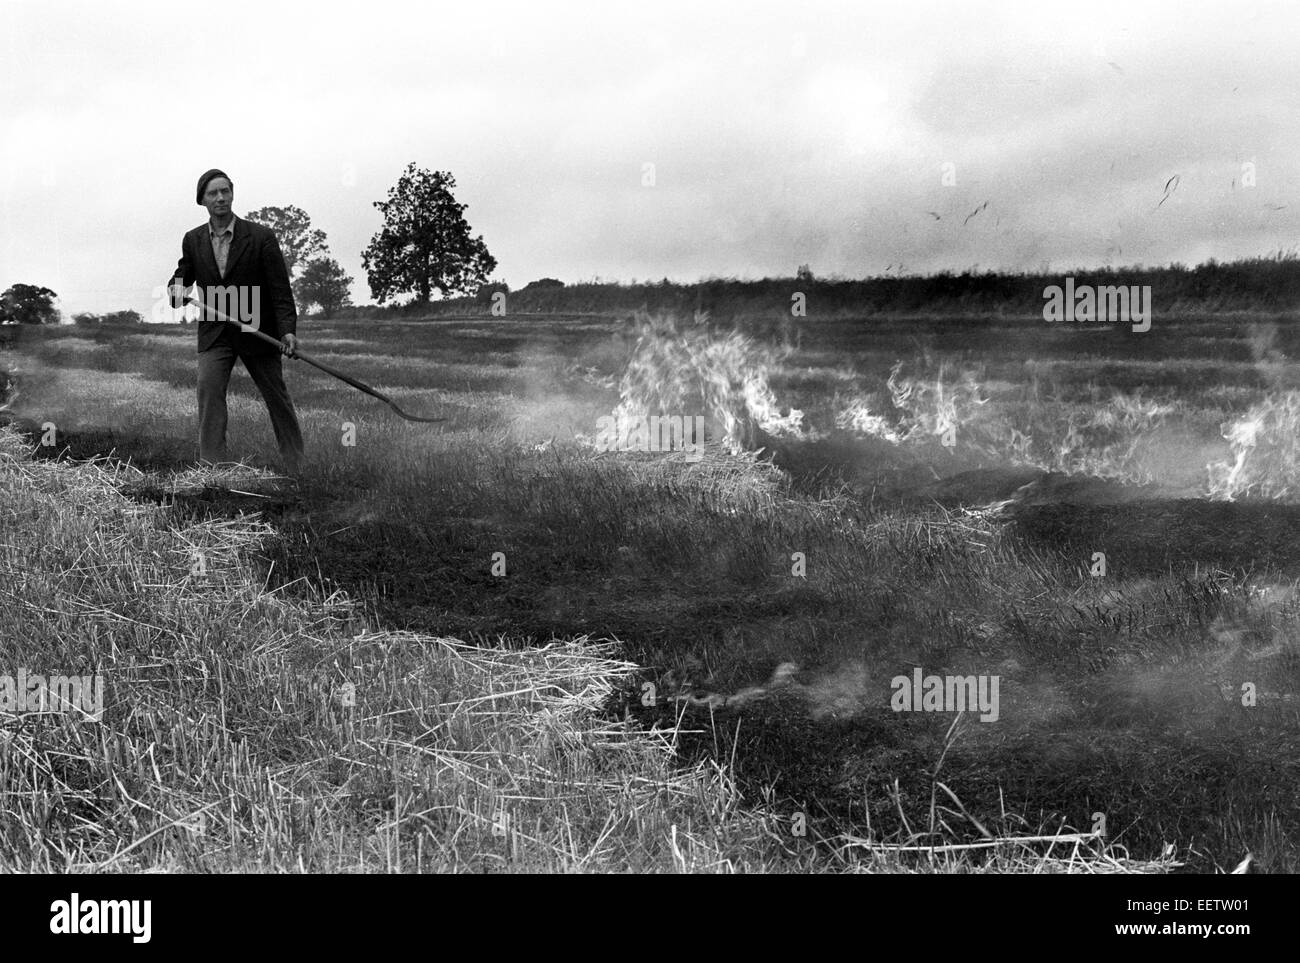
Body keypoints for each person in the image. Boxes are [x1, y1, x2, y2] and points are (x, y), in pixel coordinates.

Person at [168, 168, 304, 474]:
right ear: (202, 200)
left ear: (232, 193)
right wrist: (175, 288)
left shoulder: (260, 237)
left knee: (277, 397)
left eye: (225, 191)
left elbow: (280, 291)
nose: (220, 198)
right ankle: (214, 470)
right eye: (213, 193)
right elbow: (183, 275)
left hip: (257, 327)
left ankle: (297, 466)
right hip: (216, 329)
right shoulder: (193, 240)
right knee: (209, 390)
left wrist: (288, 332)